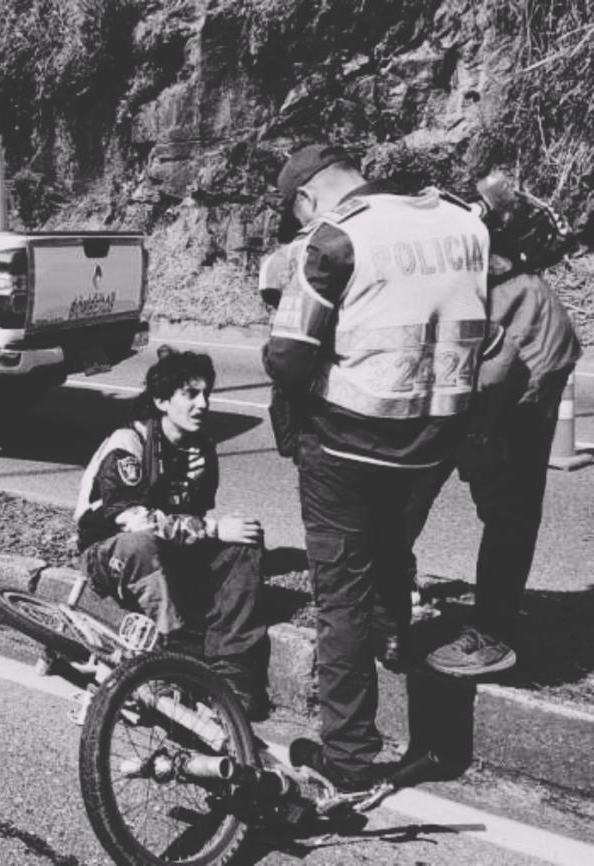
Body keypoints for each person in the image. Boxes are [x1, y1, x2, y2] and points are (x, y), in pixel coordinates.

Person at [263, 144, 489, 791]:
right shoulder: (463, 222)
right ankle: (395, 641)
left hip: (346, 447)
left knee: (341, 598)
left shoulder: (336, 240)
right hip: (432, 446)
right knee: (391, 547)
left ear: (305, 199)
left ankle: (350, 760)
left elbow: (287, 359)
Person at [405, 184, 583, 677]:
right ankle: (393, 606)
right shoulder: (432, 238)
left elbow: (497, 371)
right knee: (413, 490)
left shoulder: (463, 262)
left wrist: (479, 437)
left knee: (508, 509)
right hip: (494, 354)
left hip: (522, 364)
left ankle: (493, 635)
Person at [75, 345, 270, 718]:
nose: (203, 404)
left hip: (166, 552)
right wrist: (213, 529)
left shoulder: (202, 450)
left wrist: (221, 534)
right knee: (142, 542)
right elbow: (134, 519)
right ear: (163, 401)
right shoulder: (128, 444)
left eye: (206, 394)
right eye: (190, 395)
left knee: (244, 544)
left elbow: (195, 517)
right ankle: (174, 659)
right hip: (107, 552)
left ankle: (231, 678)